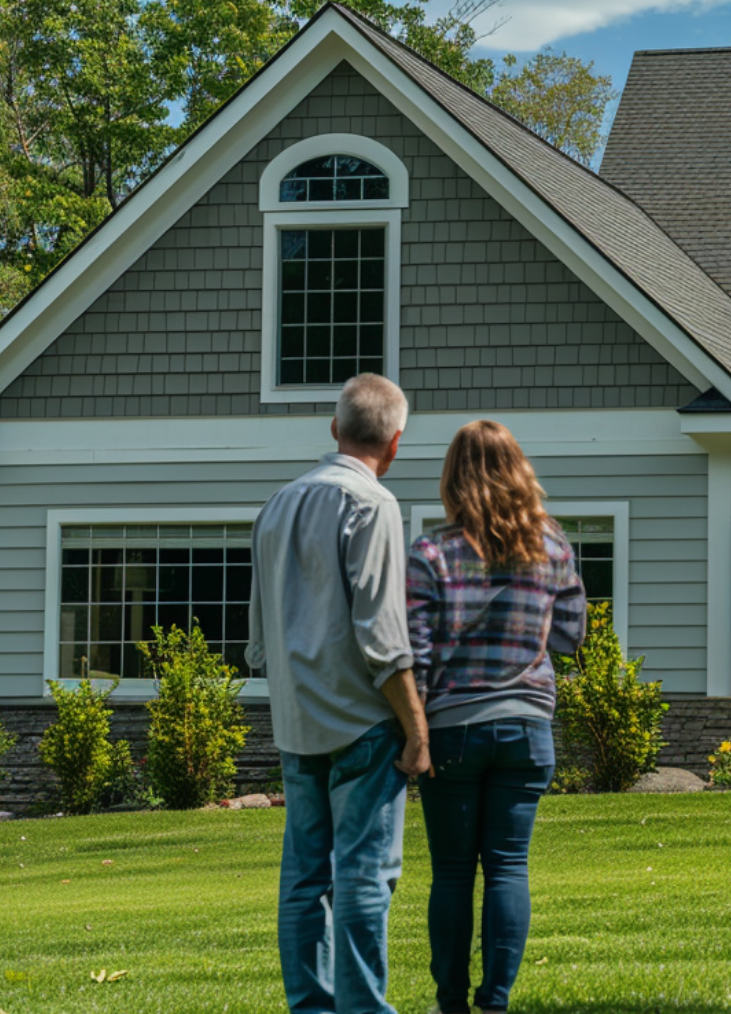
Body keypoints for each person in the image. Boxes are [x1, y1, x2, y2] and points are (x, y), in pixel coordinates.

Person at [247, 373, 430, 1014]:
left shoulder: (276, 504)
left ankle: (312, 1008)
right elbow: (382, 636)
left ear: (335, 429)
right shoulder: (373, 504)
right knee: (363, 878)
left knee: (303, 880)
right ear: (396, 443)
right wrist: (416, 727)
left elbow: (258, 640)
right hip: (362, 725)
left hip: (297, 725)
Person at [407, 420, 586, 1014]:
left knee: (453, 873)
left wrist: (416, 733)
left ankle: (450, 1004)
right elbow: (569, 638)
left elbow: (417, 652)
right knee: (508, 867)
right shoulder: (553, 546)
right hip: (527, 729)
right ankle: (496, 1002)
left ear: (454, 478)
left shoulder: (431, 552)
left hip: (453, 729)